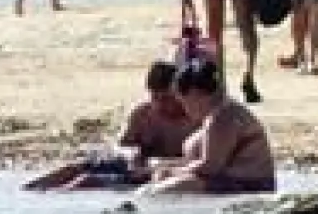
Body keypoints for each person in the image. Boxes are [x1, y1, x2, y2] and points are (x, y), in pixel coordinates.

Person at [23, 61, 198, 191]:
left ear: (179, 94)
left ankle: (58, 197)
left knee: (87, 181)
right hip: (133, 165)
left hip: (158, 172)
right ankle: (28, 194)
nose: (160, 105)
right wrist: (132, 154)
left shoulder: (194, 118)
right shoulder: (142, 114)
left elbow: (201, 160)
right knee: (74, 168)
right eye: (155, 98)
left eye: (166, 99)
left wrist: (159, 165)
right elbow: (120, 145)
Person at [137, 60, 277, 196]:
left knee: (167, 189)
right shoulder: (217, 113)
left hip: (250, 185)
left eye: (183, 101)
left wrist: (173, 172)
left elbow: (210, 167)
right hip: (229, 180)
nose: (185, 109)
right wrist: (163, 166)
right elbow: (201, 160)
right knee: (161, 179)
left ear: (195, 94)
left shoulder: (223, 117)